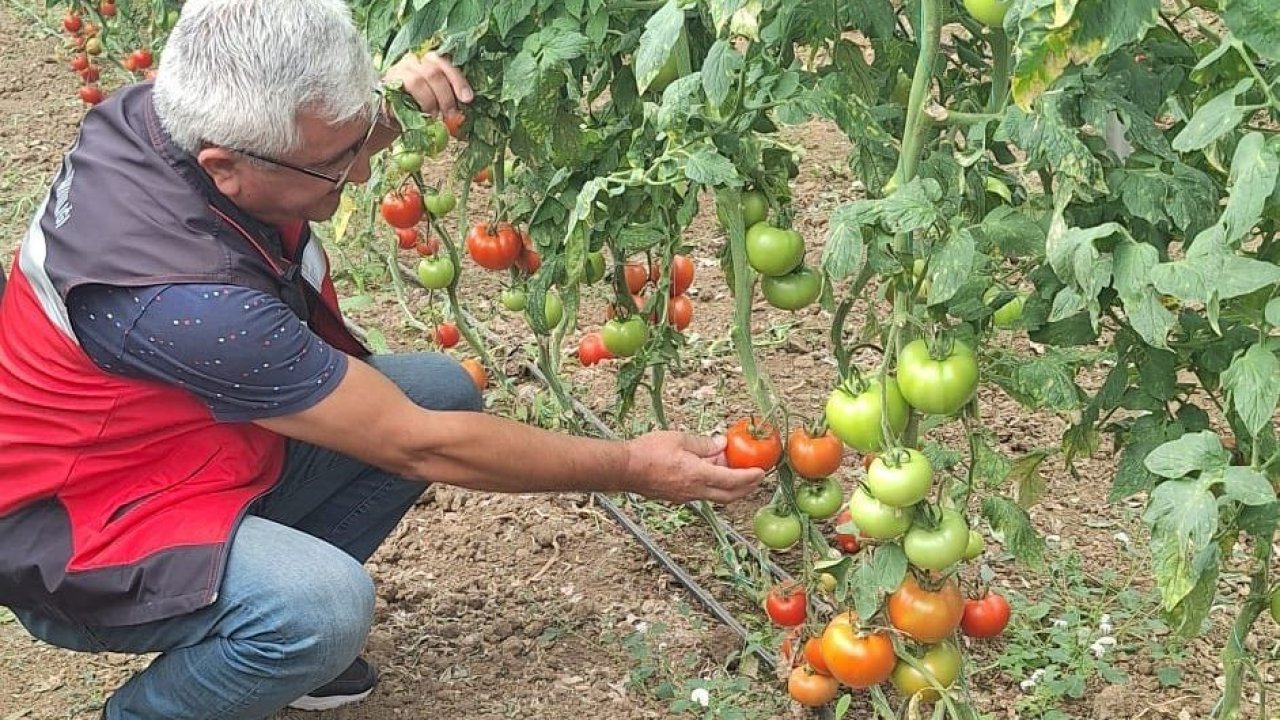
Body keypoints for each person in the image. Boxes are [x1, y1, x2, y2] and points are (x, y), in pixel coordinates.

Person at [0, 1, 764, 718]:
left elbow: (310, 144)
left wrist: (388, 95)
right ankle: (190, 683)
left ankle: (264, 633)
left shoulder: (163, 112)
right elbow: (417, 443)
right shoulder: (187, 303)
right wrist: (631, 466)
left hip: (172, 448)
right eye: (339, 161)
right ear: (225, 165)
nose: (362, 173)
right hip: (78, 535)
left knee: (436, 388)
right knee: (326, 607)